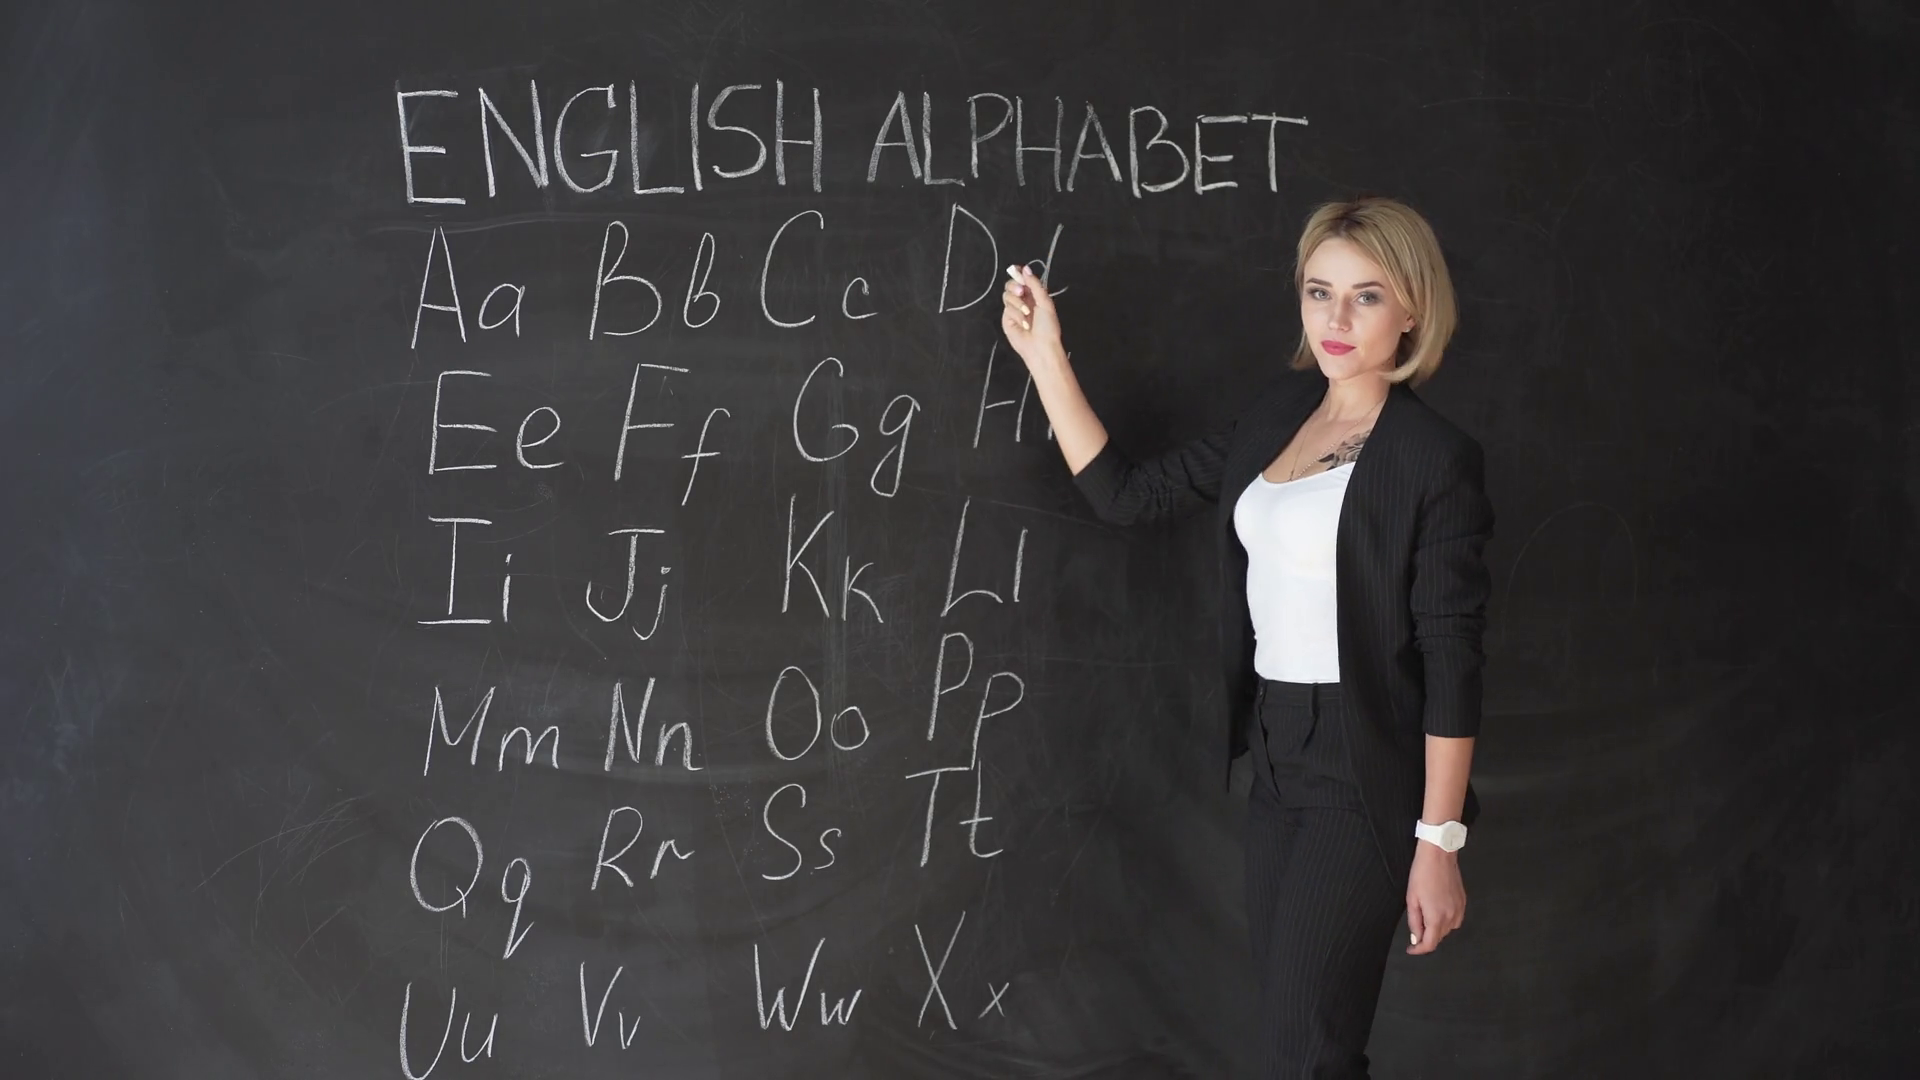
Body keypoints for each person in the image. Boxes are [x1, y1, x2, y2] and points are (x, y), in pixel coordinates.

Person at [998, 196, 1495, 1078]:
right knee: (1293, 1040)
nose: (1336, 319)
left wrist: (1439, 841)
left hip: (1362, 765)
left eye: (1368, 296)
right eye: (1319, 291)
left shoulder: (1432, 457)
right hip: (1274, 754)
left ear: (1413, 310)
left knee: (1308, 1049)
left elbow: (1453, 658)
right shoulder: (1280, 413)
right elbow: (1130, 497)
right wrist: (1046, 359)